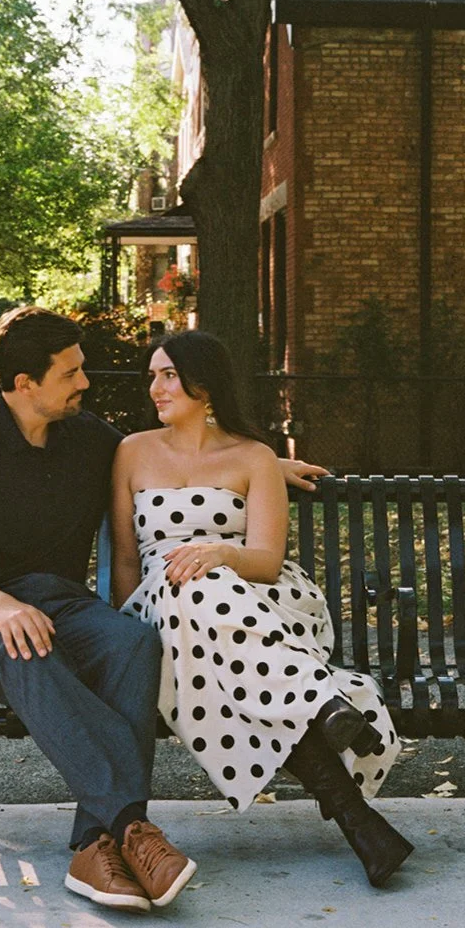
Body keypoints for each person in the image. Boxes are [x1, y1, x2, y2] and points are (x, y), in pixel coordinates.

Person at [0, 306, 326, 915]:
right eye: (71, 373)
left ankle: (93, 844)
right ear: (24, 383)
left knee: (133, 642)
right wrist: (2, 607)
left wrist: (267, 464)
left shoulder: (85, 435)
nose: (85, 382)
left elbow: (180, 459)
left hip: (58, 603)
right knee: (26, 644)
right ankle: (132, 826)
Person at [110, 330, 413, 888]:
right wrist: (120, 632)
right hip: (162, 611)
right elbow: (128, 561)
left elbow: (268, 561)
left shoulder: (252, 458)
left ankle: (360, 817)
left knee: (207, 597)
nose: (155, 387)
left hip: (258, 611)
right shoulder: (132, 451)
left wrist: (218, 552)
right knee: (188, 585)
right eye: (152, 375)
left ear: (205, 385)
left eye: (168, 374)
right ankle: (328, 721)